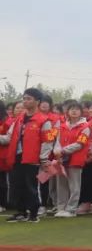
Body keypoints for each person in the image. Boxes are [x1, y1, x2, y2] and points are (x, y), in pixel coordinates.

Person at [4, 89, 53, 223]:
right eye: (24, 98)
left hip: (33, 159)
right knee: (16, 185)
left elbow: (48, 141)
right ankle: (21, 212)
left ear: (37, 101)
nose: (25, 101)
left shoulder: (44, 120)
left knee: (31, 186)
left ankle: (34, 213)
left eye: (29, 99)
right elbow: (9, 137)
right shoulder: (19, 119)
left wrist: (43, 158)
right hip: (17, 157)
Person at [53, 100, 90, 217]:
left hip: (75, 159)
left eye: (77, 109)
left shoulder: (85, 127)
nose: (74, 111)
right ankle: (61, 208)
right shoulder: (61, 125)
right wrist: (57, 151)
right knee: (61, 184)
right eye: (71, 109)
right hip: (61, 159)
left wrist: (63, 151)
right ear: (67, 112)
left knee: (74, 186)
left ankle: (71, 209)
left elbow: (80, 144)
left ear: (81, 112)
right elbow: (57, 140)